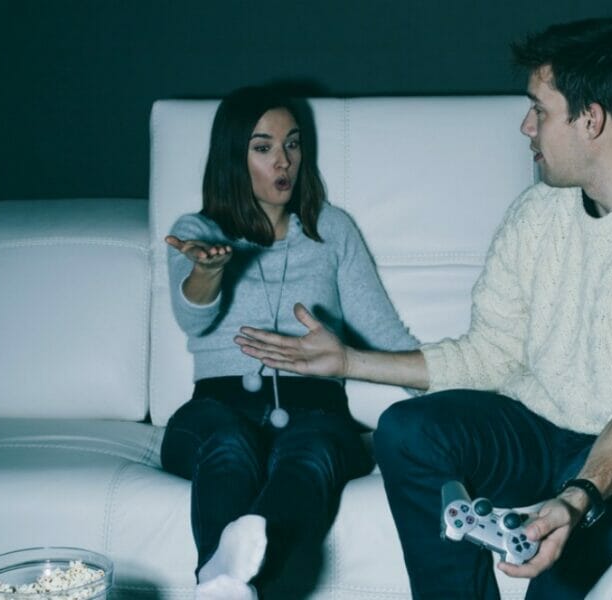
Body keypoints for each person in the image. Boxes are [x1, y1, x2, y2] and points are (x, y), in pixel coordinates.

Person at [234, 19, 612, 599]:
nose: (525, 126)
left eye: (539, 110)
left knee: (565, 557)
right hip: (543, 423)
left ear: (592, 119)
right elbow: (490, 354)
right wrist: (352, 361)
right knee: (406, 430)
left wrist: (577, 496)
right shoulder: (538, 213)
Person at [159, 84, 418, 600]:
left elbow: (386, 336)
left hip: (315, 412)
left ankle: (223, 584)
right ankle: (226, 578)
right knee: (229, 446)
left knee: (311, 453)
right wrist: (207, 271)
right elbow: (193, 317)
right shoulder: (198, 232)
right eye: (263, 148)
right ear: (235, 157)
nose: (284, 161)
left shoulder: (332, 231)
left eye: (292, 145)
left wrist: (464, 390)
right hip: (216, 409)